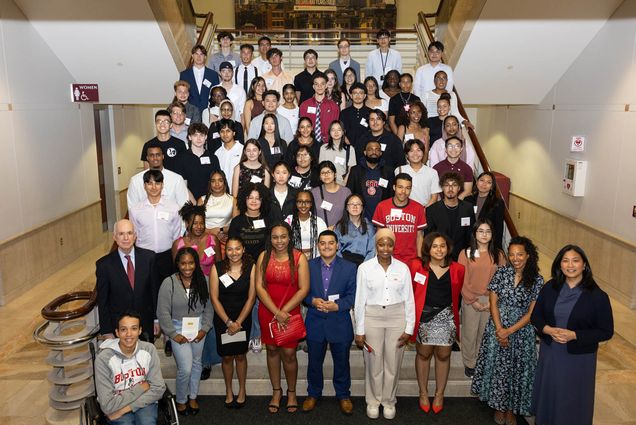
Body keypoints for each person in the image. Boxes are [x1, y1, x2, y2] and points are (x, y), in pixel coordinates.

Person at [531, 245, 614, 425]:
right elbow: (536, 316)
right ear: (559, 264)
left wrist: (574, 335)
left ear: (584, 265)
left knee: (573, 399)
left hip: (579, 358)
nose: (570, 265)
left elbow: (606, 331)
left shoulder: (598, 296)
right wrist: (547, 329)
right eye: (565, 260)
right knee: (551, 393)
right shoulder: (550, 287)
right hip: (551, 352)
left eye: (575, 260)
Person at [471, 236, 544, 425]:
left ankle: (511, 409)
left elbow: (531, 313)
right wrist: (499, 328)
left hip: (521, 331)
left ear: (528, 255)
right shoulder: (501, 273)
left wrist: (509, 331)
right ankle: (498, 406)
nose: (515, 258)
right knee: (498, 369)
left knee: (516, 371)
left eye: (520, 254)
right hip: (497, 327)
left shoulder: (537, 279)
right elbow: (493, 302)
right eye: (512, 254)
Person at [354, 228, 414, 420]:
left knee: (393, 362)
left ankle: (389, 401)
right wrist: (360, 329)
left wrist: (409, 327)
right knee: (374, 361)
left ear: (394, 246)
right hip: (372, 317)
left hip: (397, 317)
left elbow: (409, 300)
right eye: (381, 244)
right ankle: (373, 401)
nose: (385, 248)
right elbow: (360, 300)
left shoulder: (403, 268)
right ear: (376, 246)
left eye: (389, 244)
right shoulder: (364, 268)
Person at [255, 222, 310, 413]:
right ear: (270, 239)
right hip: (268, 311)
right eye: (275, 237)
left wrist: (283, 312)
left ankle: (292, 392)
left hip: (289, 312)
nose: (279, 241)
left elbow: (304, 289)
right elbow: (259, 287)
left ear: (289, 237)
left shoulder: (299, 257)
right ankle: (277, 391)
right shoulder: (263, 257)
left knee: (288, 354)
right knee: (271, 350)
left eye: (283, 236)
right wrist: (275, 312)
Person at [302, 230, 357, 415]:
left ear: (337, 245)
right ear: (318, 246)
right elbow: (302, 292)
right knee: (314, 363)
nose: (327, 246)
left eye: (331, 243)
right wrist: (312, 301)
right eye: (323, 243)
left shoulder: (350, 268)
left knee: (342, 362)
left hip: (339, 322)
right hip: (315, 322)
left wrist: (338, 305)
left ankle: (343, 395)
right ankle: (313, 394)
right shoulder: (308, 266)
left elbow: (353, 296)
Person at [409, 232, 465, 414]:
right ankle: (423, 393)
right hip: (424, 317)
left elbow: (459, 295)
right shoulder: (417, 266)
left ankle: (439, 394)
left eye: (442, 246)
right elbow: (410, 292)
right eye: (434, 246)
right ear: (428, 249)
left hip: (447, 317)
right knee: (423, 354)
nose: (439, 249)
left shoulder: (458, 269)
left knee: (443, 355)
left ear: (448, 248)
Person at [157, 247, 213, 416]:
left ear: (196, 264)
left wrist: (204, 329)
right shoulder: (169, 283)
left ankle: (193, 397)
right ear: (178, 264)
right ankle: (181, 399)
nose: (187, 267)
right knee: (186, 368)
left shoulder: (203, 280)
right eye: (183, 263)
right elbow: (163, 312)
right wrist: (173, 334)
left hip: (198, 329)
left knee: (197, 364)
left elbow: (209, 308)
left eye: (190, 263)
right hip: (177, 329)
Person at [209, 236, 257, 408]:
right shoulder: (217, 268)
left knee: (241, 355)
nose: (234, 252)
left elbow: (252, 298)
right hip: (223, 318)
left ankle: (242, 389)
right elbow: (214, 298)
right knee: (227, 356)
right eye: (230, 249)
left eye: (237, 248)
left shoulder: (251, 267)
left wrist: (238, 322)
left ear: (243, 249)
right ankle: (229, 390)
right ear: (225, 251)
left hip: (243, 318)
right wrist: (229, 322)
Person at [95, 311, 166, 424]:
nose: (129, 334)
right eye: (123, 329)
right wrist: (141, 388)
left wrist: (125, 409)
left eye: (133, 328)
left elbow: (158, 388)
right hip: (116, 405)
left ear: (140, 330)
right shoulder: (103, 359)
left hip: (143, 401)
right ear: (117, 333)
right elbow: (107, 405)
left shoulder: (149, 349)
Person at [458, 218, 506, 378]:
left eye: (488, 231)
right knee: (469, 333)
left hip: (491, 301)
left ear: (492, 234)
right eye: (481, 231)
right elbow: (461, 279)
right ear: (474, 233)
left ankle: (481, 363)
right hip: (470, 299)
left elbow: (502, 280)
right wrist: (473, 300)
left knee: (485, 333)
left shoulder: (498, 255)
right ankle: (470, 364)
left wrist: (493, 302)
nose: (484, 235)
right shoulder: (466, 253)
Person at [96, 220, 158, 342]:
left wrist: (156, 319)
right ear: (114, 237)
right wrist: (107, 330)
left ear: (135, 236)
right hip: (119, 328)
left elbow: (154, 292)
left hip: (145, 324)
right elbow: (103, 301)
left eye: (129, 233)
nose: (125, 238)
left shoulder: (149, 258)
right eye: (121, 234)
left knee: (145, 359)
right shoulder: (104, 265)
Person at [228, 183, 271, 354]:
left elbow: (271, 246)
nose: (253, 201)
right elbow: (231, 247)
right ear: (244, 199)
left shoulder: (268, 220)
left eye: (257, 198)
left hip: (262, 268)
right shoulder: (237, 221)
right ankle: (244, 335)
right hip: (242, 268)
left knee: (259, 304)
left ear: (263, 201)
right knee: (244, 303)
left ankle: (257, 336)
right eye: (250, 197)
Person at [129, 170, 183, 283]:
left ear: (162, 185)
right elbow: (134, 234)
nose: (153, 187)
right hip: (144, 257)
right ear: (144, 186)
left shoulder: (173, 208)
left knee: (167, 288)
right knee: (146, 290)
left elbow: (176, 234)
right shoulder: (135, 210)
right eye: (149, 183)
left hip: (167, 256)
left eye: (157, 183)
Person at [372, 173, 427, 264]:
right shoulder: (382, 206)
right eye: (400, 187)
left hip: (411, 259)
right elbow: (379, 236)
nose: (403, 191)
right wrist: (379, 258)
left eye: (407, 188)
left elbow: (419, 236)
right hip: (389, 258)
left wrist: (420, 260)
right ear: (394, 187)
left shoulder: (418, 208)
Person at [425, 172, 475, 260]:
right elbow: (429, 237)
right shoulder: (432, 210)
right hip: (440, 256)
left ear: (459, 188)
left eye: (454, 185)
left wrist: (471, 254)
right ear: (442, 188)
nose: (450, 188)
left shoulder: (468, 208)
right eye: (446, 185)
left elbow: (471, 234)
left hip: (462, 257)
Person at [127, 143, 189, 209]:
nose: (155, 158)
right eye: (151, 155)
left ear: (163, 156)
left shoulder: (177, 179)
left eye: (158, 155)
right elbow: (132, 209)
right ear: (147, 158)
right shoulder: (136, 181)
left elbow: (184, 207)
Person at [346, 140, 394, 220]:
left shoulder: (388, 171)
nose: (374, 152)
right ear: (365, 152)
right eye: (370, 149)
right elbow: (350, 193)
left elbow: (391, 194)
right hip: (361, 218)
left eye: (377, 149)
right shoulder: (355, 170)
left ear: (381, 153)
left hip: (383, 217)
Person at [171, 202, 221, 276]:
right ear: (187, 224)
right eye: (195, 223)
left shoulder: (213, 240)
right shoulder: (178, 244)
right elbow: (176, 271)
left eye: (202, 223)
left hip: (210, 284)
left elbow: (220, 266)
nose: (199, 227)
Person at [176, 123, 221, 200]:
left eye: (202, 135)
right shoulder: (182, 158)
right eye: (195, 135)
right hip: (189, 202)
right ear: (189, 137)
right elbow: (182, 185)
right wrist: (194, 204)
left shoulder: (213, 158)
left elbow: (217, 182)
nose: (199, 138)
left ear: (206, 137)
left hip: (210, 201)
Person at [465, 172, 505, 250]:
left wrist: (497, 249)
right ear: (476, 182)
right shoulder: (467, 200)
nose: (484, 184)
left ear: (492, 186)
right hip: (469, 242)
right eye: (482, 180)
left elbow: (499, 228)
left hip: (488, 244)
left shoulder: (497, 203)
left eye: (489, 182)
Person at [395, 139, 440, 207]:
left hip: (425, 210)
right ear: (407, 155)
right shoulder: (400, 170)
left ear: (423, 153)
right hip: (405, 210)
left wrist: (424, 210)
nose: (415, 154)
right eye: (411, 151)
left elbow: (434, 197)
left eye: (418, 150)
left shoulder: (432, 172)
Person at [198, 170, 236, 249]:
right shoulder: (201, 200)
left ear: (224, 182)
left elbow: (236, 225)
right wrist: (211, 232)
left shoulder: (233, 200)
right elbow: (196, 224)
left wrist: (221, 230)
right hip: (204, 238)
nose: (217, 184)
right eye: (213, 181)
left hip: (224, 239)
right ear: (210, 183)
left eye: (220, 180)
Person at [334, 194, 376, 265]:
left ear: (362, 208)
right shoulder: (340, 226)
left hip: (363, 263)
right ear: (347, 207)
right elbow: (336, 249)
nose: (355, 207)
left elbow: (372, 250)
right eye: (352, 204)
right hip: (344, 262)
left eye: (358, 204)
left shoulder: (369, 227)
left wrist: (364, 267)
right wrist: (343, 265)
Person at [299, 72, 340, 144]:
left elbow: (335, 128)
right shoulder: (304, 106)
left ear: (326, 85)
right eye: (316, 84)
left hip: (327, 144)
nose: (319, 86)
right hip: (309, 143)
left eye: (322, 84)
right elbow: (302, 126)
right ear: (313, 86)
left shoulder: (334, 107)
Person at [285, 190, 328, 259]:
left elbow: (325, 244)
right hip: (293, 259)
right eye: (300, 202)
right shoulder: (288, 220)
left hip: (315, 259)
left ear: (311, 204)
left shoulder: (319, 222)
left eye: (307, 202)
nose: (303, 205)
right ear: (296, 203)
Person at [180, 44, 220, 114]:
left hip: (209, 112)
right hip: (189, 112)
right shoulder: (184, 75)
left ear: (205, 57)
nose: (199, 56)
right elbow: (181, 94)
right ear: (192, 56)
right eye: (196, 54)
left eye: (201, 54)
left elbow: (216, 95)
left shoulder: (213, 75)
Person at [312, 161, 351, 229]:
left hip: (341, 232)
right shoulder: (314, 192)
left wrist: (336, 227)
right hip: (320, 233)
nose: (326, 175)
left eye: (329, 172)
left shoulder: (346, 192)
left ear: (335, 174)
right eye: (323, 173)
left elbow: (349, 215)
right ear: (320, 177)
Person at [319, 121, 356, 185]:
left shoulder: (350, 149)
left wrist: (344, 184)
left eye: (339, 130)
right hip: (326, 183)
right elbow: (321, 168)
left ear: (343, 132)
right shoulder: (323, 148)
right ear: (329, 132)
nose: (336, 132)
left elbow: (351, 170)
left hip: (343, 184)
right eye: (333, 130)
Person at [213, 119, 244, 194]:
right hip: (222, 194)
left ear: (234, 133)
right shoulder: (217, 153)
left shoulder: (243, 150)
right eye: (222, 131)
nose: (225, 134)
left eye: (228, 131)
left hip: (240, 192)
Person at [340, 82, 371, 147]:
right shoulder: (344, 113)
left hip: (366, 147)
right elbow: (341, 130)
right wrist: (348, 143)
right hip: (348, 147)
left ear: (365, 96)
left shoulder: (371, 112)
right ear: (351, 95)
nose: (358, 96)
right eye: (355, 93)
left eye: (360, 93)